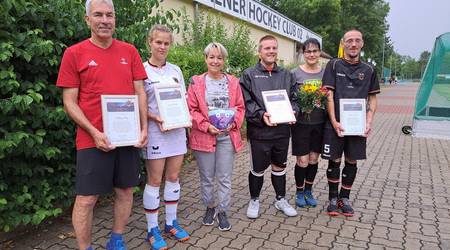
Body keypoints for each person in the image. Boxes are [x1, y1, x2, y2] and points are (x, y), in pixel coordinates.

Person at [56, 0, 148, 249]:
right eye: (98, 15)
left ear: (115, 19)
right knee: (86, 199)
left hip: (127, 137)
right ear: (88, 20)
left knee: (125, 191)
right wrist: (95, 132)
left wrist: (144, 128)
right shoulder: (74, 53)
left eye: (110, 15)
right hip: (91, 138)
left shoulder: (129, 51)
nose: (105, 20)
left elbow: (140, 91)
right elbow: (69, 101)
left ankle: (116, 239)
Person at [321, 29, 380, 217]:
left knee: (352, 160)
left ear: (362, 43)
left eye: (357, 41)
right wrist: (334, 121)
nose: (353, 44)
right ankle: (332, 198)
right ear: (343, 43)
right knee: (334, 160)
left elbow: (372, 99)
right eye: (349, 41)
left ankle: (344, 198)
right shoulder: (333, 65)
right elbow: (328, 96)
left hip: (357, 125)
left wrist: (368, 122)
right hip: (335, 124)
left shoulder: (369, 69)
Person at [187, 42, 245, 231]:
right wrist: (205, 126)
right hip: (204, 136)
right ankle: (210, 207)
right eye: (211, 57)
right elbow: (191, 109)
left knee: (224, 177)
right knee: (206, 177)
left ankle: (222, 211)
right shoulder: (196, 82)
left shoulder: (233, 82)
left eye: (219, 57)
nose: (215, 61)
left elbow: (240, 107)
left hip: (226, 136)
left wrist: (233, 122)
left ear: (224, 60)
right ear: (205, 59)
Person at [141, 25, 190, 250]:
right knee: (154, 180)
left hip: (177, 130)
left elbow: (183, 99)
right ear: (150, 42)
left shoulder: (176, 70)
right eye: (158, 42)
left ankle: (171, 222)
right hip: (155, 132)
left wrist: (183, 117)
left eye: (166, 43)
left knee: (173, 177)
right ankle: (152, 229)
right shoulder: (141, 70)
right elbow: (138, 105)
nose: (162, 46)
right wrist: (156, 117)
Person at [240, 35, 299, 219]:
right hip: (260, 132)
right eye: (267, 48)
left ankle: (280, 199)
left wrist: (293, 112)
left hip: (282, 132)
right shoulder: (249, 74)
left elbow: (295, 99)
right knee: (257, 168)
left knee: (279, 167)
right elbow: (246, 101)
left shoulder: (287, 75)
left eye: (274, 48)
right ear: (259, 51)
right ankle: (254, 199)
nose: (271, 51)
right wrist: (261, 115)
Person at [291, 38, 325, 208]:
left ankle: (308, 191)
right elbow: (289, 98)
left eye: (315, 51)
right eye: (308, 51)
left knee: (313, 159)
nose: (311, 54)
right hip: (301, 125)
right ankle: (299, 191)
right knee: (302, 161)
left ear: (319, 52)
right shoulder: (294, 74)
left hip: (320, 124)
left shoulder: (326, 74)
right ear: (303, 53)